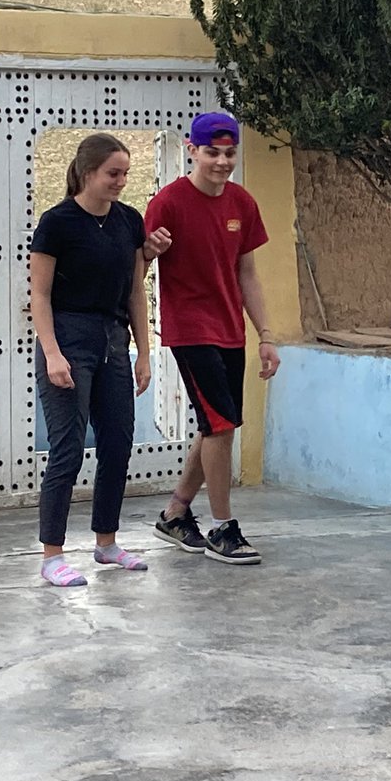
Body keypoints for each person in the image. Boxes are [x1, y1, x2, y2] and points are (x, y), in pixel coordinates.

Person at [29, 133, 169, 587]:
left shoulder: (129, 221)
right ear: (88, 172)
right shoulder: (58, 223)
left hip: (113, 340)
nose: (121, 182)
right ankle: (52, 555)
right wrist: (52, 353)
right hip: (69, 338)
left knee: (117, 441)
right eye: (114, 173)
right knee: (68, 447)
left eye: (126, 173)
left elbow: (133, 288)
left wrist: (144, 352)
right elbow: (40, 294)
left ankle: (106, 542)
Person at [144, 111, 280, 565]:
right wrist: (150, 250)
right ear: (192, 150)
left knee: (216, 426)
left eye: (229, 153)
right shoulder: (168, 202)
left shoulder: (242, 203)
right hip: (190, 328)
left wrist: (266, 334)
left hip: (229, 331)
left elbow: (248, 275)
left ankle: (176, 513)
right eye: (212, 153)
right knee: (221, 426)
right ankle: (224, 527)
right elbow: (136, 267)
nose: (222, 162)